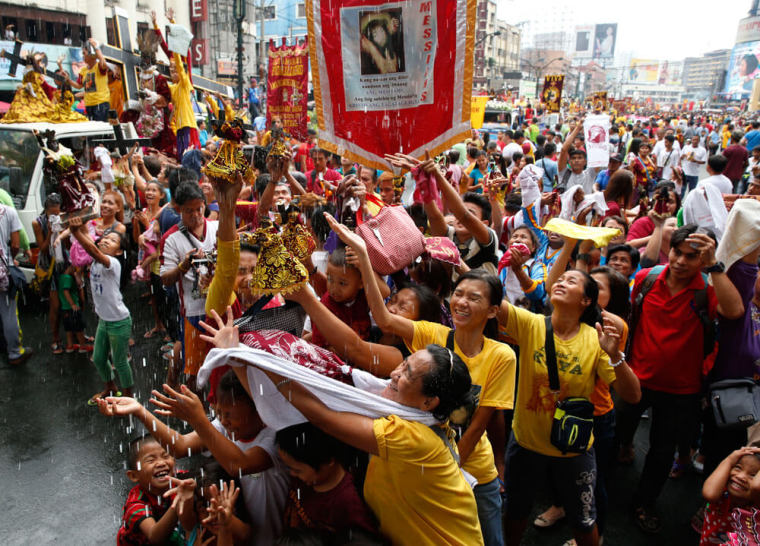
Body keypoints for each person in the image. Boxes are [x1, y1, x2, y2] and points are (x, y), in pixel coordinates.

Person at [200, 309, 486, 545]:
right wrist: (238, 358)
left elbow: (321, 415)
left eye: (408, 373)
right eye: (405, 363)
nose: (395, 373)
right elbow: (292, 406)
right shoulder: (390, 405)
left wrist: (262, 360)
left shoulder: (411, 434)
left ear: (429, 402)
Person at [616, 224, 745, 534]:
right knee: (614, 434)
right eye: (677, 252)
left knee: (661, 451)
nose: (682, 261)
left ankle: (643, 503)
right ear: (669, 250)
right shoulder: (646, 280)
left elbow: (735, 310)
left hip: (682, 390)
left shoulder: (708, 288)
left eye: (693, 256)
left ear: (703, 259)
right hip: (636, 379)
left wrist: (714, 265)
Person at [499, 266, 641, 546]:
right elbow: (492, 297)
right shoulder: (531, 324)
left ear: (586, 300)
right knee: (515, 511)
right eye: (560, 279)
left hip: (573, 450)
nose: (561, 282)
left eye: (571, 281)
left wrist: (615, 357)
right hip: (526, 443)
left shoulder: (596, 340)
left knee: (584, 519)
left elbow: (633, 395)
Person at [99, 368, 290, 544]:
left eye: (229, 414)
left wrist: (198, 419)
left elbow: (239, 465)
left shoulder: (274, 437)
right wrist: (140, 411)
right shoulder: (224, 427)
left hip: (270, 537)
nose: (223, 421)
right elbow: (180, 446)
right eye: (219, 413)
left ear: (258, 409)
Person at [69, 216, 133, 403]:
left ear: (119, 251)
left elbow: (93, 249)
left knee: (120, 362)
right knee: (98, 358)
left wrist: (75, 232)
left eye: (113, 240)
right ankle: (110, 387)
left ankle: (130, 399)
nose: (106, 240)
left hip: (119, 321)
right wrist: (80, 229)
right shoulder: (96, 260)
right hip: (104, 320)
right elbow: (92, 244)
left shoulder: (112, 263)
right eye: (105, 237)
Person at [160, 182, 218, 383]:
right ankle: (192, 408)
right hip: (194, 313)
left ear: (204, 204)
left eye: (199, 209)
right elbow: (165, 278)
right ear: (178, 210)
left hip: (220, 309)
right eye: (188, 211)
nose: (195, 215)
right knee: (194, 372)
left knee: (220, 368)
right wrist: (184, 265)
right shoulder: (171, 239)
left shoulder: (217, 228)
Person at [276, 422, 377, 535]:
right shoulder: (304, 479)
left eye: (297, 470)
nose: (292, 474)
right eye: (289, 468)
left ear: (328, 461)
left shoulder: (349, 503)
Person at [117, 436, 195, 545]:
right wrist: (178, 502)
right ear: (134, 475)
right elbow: (155, 537)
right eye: (150, 460)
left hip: (172, 533)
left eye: (165, 456)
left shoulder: (180, 480)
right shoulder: (135, 504)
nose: (161, 463)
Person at [700, 447, 760, 545]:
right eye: (738, 467)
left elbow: (757, 487)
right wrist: (729, 459)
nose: (740, 477)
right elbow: (709, 494)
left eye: (753, 475)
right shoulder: (722, 491)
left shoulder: (755, 509)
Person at [0, 203, 32, 366]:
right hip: (3, 272)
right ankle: (14, 353)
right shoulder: (8, 212)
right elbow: (15, 245)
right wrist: (10, 260)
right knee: (9, 312)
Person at [32, 193, 65, 354]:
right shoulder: (37, 223)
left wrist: (63, 228)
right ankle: (55, 338)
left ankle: (75, 336)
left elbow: (68, 242)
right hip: (49, 266)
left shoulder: (63, 218)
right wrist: (51, 232)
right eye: (52, 214)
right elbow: (43, 249)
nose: (55, 216)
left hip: (64, 262)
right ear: (46, 211)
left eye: (57, 213)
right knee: (55, 305)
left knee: (73, 300)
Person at [65, 38, 111, 121]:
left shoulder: (99, 66)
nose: (83, 56)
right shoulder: (83, 70)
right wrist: (69, 80)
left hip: (100, 103)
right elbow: (79, 86)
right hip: (89, 104)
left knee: (100, 129)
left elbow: (103, 63)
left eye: (84, 53)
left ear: (91, 54)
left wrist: (96, 48)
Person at [168, 52, 199, 160]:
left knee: (187, 152)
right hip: (179, 125)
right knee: (180, 152)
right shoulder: (174, 87)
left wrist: (176, 52)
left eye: (176, 72)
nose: (174, 74)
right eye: (172, 72)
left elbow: (181, 69)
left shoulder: (185, 83)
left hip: (187, 123)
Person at [57, 262, 92, 353]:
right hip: (72, 308)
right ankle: (83, 346)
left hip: (64, 308)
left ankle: (70, 346)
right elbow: (66, 291)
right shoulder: (68, 278)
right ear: (70, 267)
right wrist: (72, 304)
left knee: (68, 328)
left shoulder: (61, 277)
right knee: (78, 328)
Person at [558, 121, 599, 194]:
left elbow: (597, 153)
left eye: (580, 158)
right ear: (569, 162)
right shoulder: (564, 173)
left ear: (585, 162)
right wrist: (577, 129)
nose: (576, 160)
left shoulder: (589, 174)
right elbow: (563, 150)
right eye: (573, 158)